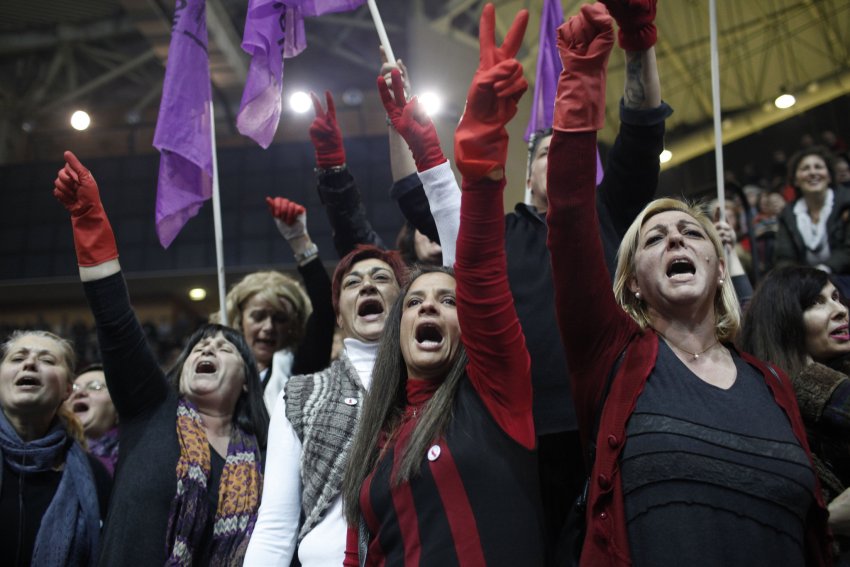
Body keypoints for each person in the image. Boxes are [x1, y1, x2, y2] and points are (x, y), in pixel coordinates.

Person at [545, 4, 831, 566]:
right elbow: (570, 215)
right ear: (629, 286)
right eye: (654, 240)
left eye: (690, 232)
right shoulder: (611, 359)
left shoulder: (770, 381)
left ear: (720, 264)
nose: (675, 241)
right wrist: (580, 80)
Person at [413, 0, 671, 551]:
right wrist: (405, 128)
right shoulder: (493, 234)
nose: (560, 159)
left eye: (570, 150)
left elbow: (645, 129)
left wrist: (638, 41)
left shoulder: (609, 211)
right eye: (547, 151)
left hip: (614, 421)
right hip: (513, 431)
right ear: (526, 172)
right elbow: (420, 199)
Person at [341, 5, 546, 565]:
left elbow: (477, 266)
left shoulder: (495, 395)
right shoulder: (376, 438)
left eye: (447, 299)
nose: (429, 305)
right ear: (397, 324)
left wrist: (468, 158)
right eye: (416, 300)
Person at [53, 150, 269, 565]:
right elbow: (115, 321)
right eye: (199, 346)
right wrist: (88, 219)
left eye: (225, 348)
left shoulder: (264, 454)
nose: (207, 348)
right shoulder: (151, 409)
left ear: (246, 380)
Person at [244, 245, 406, 566]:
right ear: (338, 316)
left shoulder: (430, 387)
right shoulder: (301, 395)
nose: (367, 286)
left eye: (381, 278)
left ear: (406, 302)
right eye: (352, 283)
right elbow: (276, 526)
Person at [740, 266, 850, 560]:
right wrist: (828, 519)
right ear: (784, 322)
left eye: (837, 297)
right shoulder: (765, 414)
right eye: (817, 302)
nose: (840, 309)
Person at [1, 330, 111, 566]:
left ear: (67, 391)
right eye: (18, 358)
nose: (29, 363)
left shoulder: (94, 475)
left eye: (47, 360)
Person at [218, 196, 334, 411]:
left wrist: (300, 241)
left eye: (280, 319)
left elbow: (325, 311)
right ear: (239, 318)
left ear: (294, 326)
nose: (268, 327)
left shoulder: (299, 371)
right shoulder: (215, 371)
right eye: (258, 316)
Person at [775, 146, 850, 275]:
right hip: (808, 286)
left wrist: (823, 271)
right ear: (795, 180)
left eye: (818, 167)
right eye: (805, 168)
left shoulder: (847, 202)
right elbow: (784, 257)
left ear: (829, 176)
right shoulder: (788, 214)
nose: (812, 172)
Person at [65, 363, 120, 475]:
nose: (79, 393)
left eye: (95, 387)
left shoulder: (136, 455)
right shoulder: (50, 456)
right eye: (73, 389)